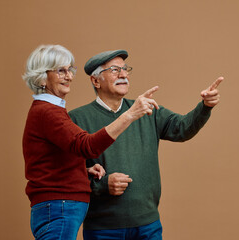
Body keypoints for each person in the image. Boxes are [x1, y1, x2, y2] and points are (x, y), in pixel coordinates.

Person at [68, 49, 223, 240]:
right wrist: (101, 185)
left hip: (148, 225)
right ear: (95, 80)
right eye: (115, 70)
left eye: (125, 69)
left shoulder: (146, 109)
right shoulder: (77, 119)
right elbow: (67, 174)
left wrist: (205, 106)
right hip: (103, 228)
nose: (123, 75)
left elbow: (183, 128)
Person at [22, 45, 157, 240]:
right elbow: (87, 146)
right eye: (61, 71)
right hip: (59, 207)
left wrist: (82, 171)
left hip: (59, 207)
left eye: (70, 70)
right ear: (42, 77)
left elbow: (51, 160)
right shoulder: (47, 112)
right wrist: (129, 115)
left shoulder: (50, 110)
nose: (69, 76)